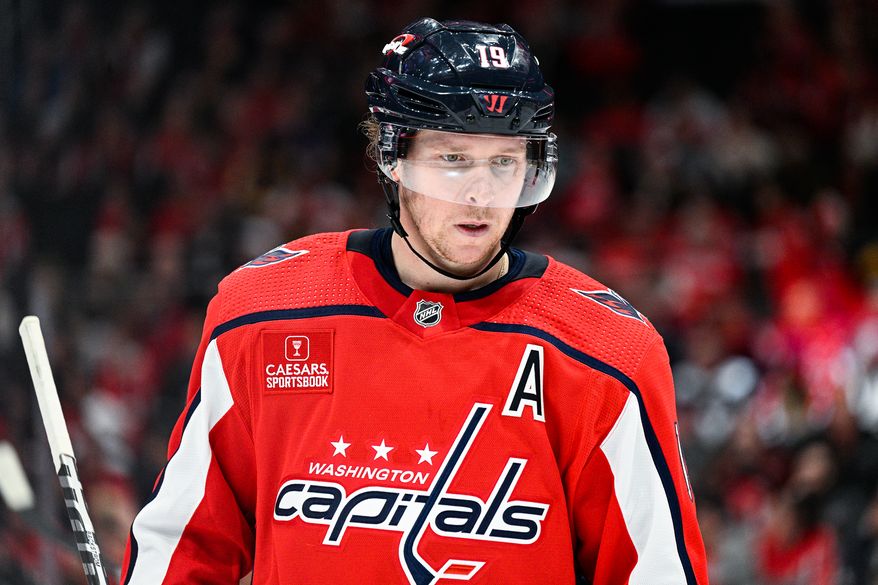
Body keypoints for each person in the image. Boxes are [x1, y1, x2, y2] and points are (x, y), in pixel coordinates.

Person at [121, 17, 709, 584]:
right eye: (453, 160)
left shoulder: (605, 354)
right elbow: (186, 544)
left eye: (504, 162)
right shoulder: (264, 313)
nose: (482, 193)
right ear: (392, 156)